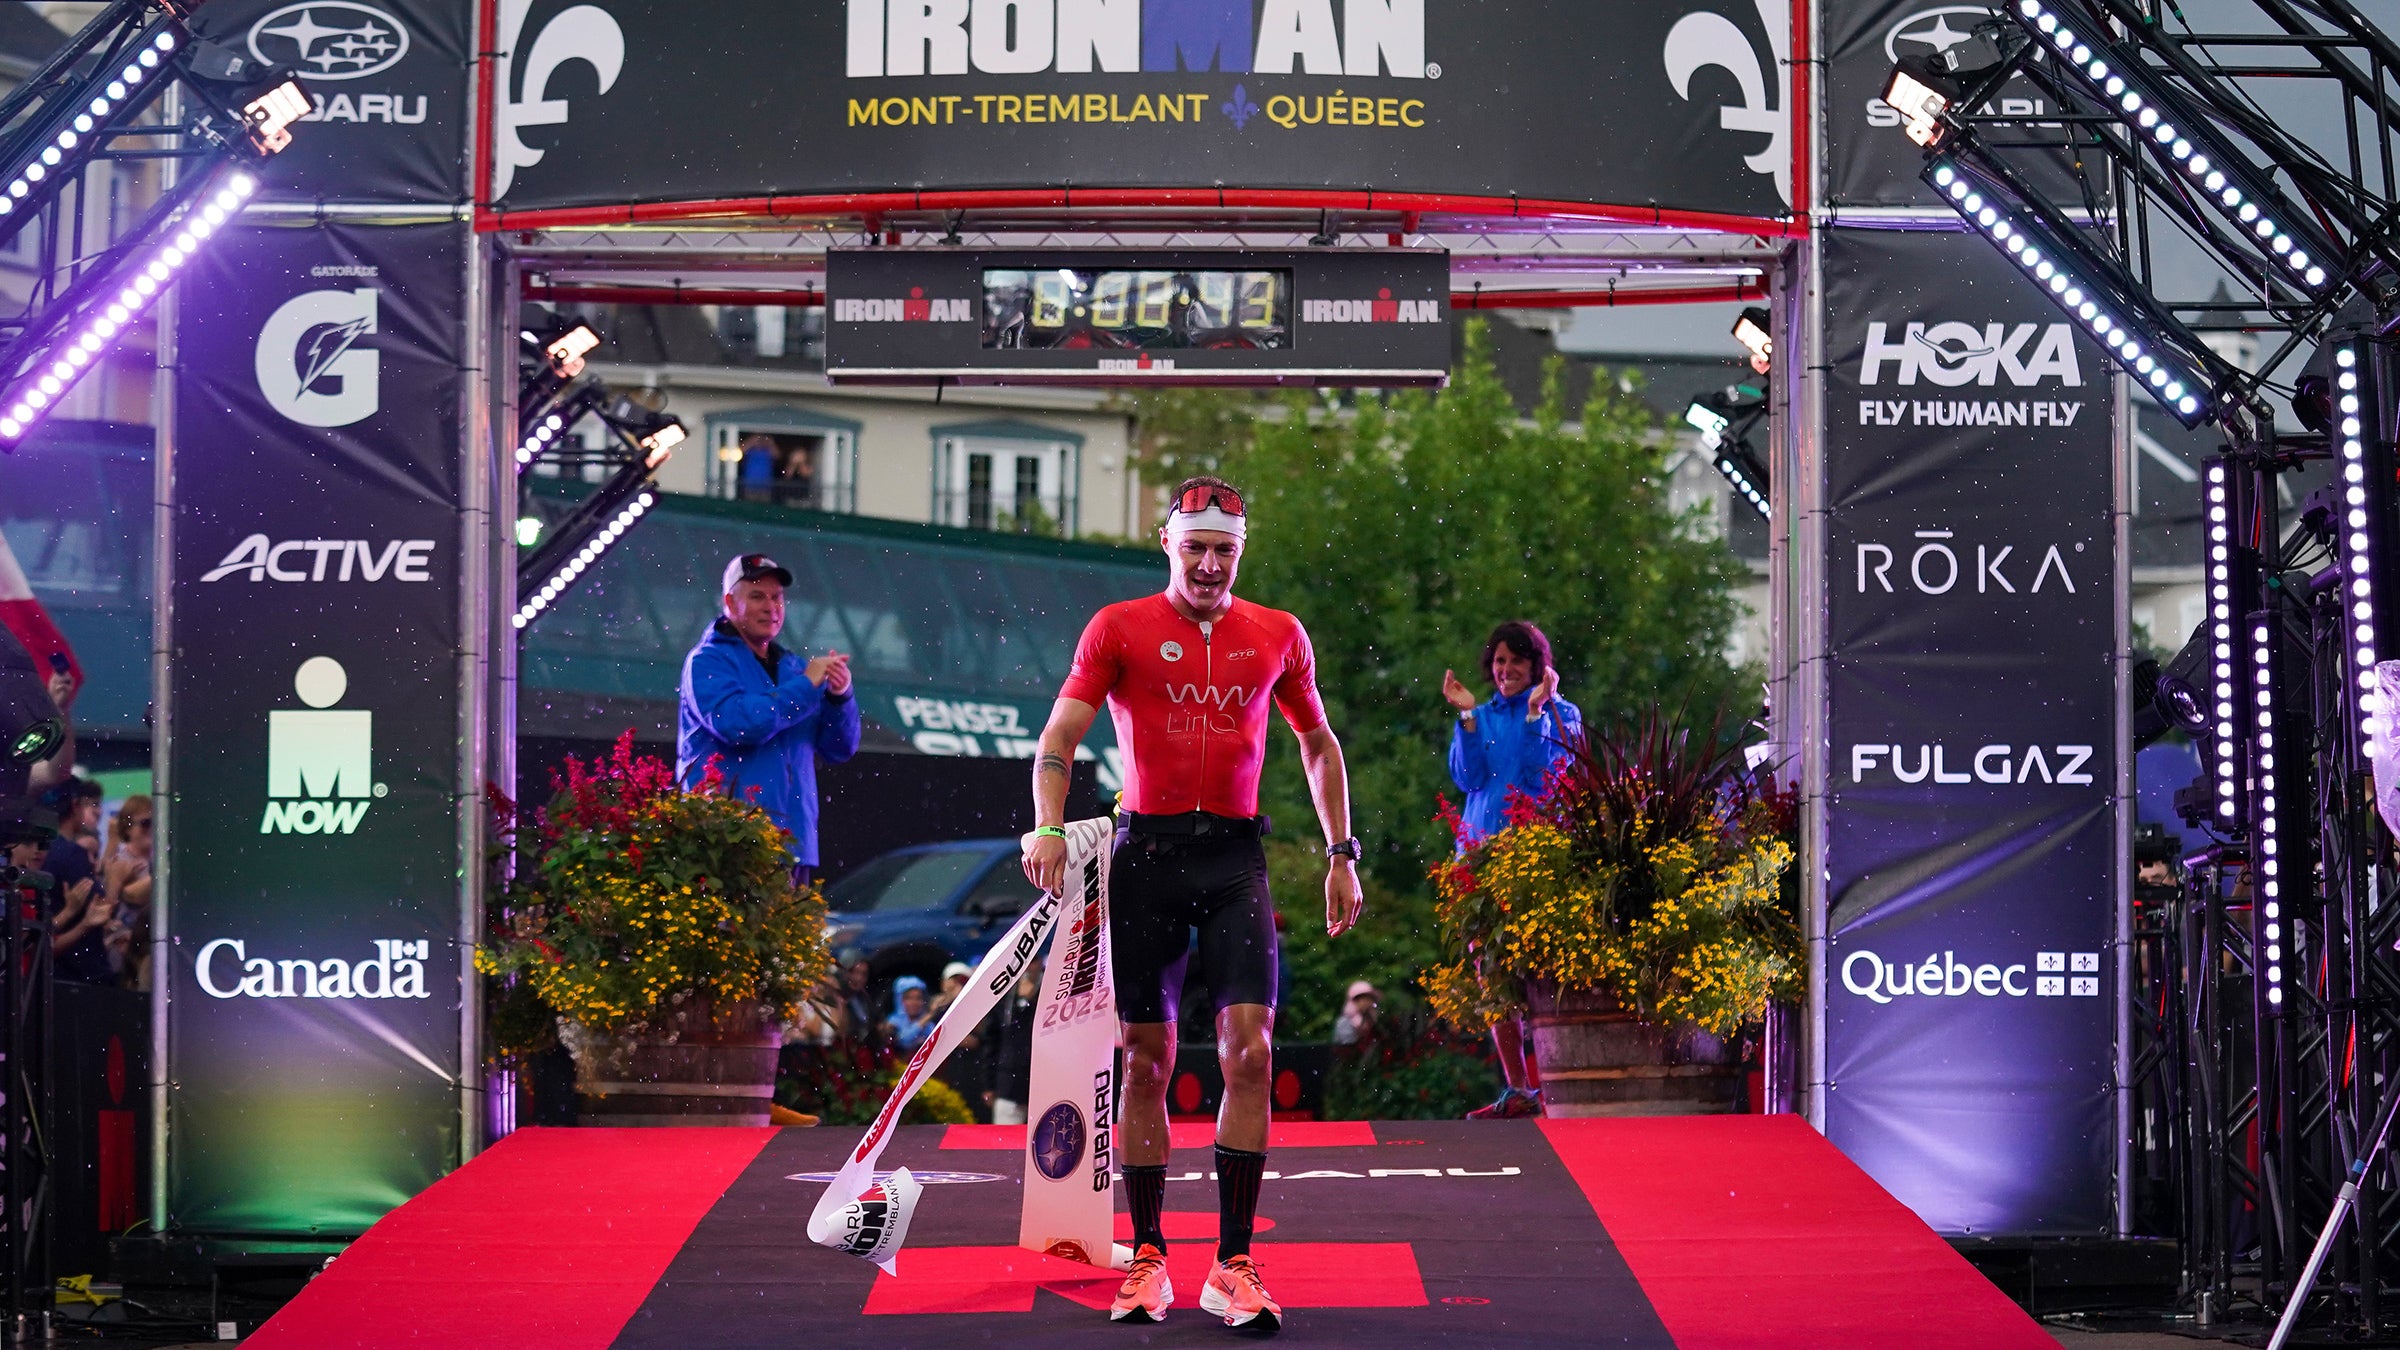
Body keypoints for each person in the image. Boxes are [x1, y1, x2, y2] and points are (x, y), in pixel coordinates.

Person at [1023, 475, 1362, 1333]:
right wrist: (1047, 829)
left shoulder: (1277, 634)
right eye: (1196, 547)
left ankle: (1233, 1264)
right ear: (1167, 544)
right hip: (1146, 857)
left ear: (1240, 554)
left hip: (1234, 859)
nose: (1210, 565)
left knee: (1249, 1053)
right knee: (1145, 1060)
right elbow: (1059, 737)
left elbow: (1317, 742)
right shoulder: (1119, 627)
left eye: (1226, 551)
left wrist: (1340, 853)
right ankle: (1147, 1258)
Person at [1444, 621, 1581, 1121]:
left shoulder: (1563, 715)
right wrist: (1466, 719)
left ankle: (1562, 1088)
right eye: (1500, 662)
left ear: (1537, 665)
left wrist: (1534, 714)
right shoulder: (1478, 715)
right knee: (1492, 975)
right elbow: (1469, 777)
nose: (1506, 671)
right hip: (1479, 858)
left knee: (1540, 973)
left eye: (1516, 661)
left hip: (1535, 859)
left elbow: (1538, 776)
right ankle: (1519, 1090)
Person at [677, 554, 862, 885]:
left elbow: (839, 748)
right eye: (757, 596)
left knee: (785, 937)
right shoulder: (706, 661)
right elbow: (740, 725)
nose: (770, 607)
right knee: (731, 938)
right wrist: (807, 686)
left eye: (777, 597)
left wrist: (840, 695)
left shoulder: (794, 669)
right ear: (730, 602)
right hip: (725, 843)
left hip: (792, 847)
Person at [986, 957, 1042, 1126]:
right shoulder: (1005, 995)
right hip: (1008, 1084)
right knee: (1004, 1145)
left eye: (1034, 961)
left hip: (1041, 1083)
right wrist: (988, 1083)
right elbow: (992, 1041)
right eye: (1026, 961)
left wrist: (1029, 1002)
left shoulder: (1054, 990)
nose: (1028, 967)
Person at [885, 975, 936, 1052]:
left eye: (918, 998)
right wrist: (928, 1017)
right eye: (909, 998)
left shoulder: (929, 1025)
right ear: (900, 1000)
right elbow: (904, 1040)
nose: (914, 1002)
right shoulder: (892, 1022)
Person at [1331, 980, 1379, 1046]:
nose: (1369, 1002)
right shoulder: (1345, 1021)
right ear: (1356, 1000)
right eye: (1366, 999)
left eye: (1370, 999)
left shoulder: (1371, 1018)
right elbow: (1348, 1047)